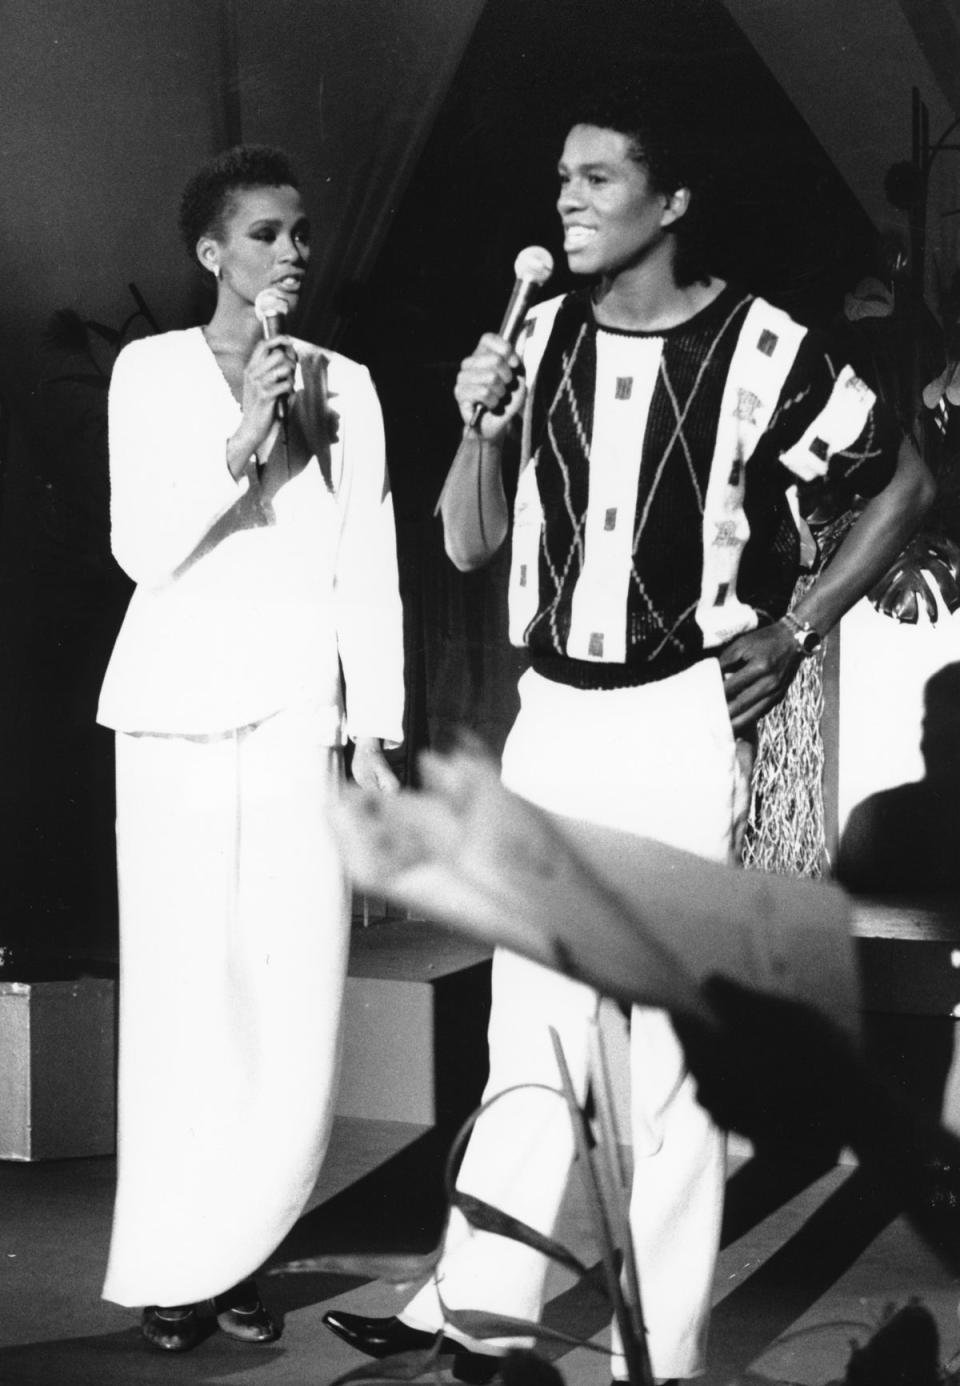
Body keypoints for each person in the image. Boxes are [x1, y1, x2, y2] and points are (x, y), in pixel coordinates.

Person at [323, 83, 933, 1385]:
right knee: (528, 1028)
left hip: (676, 724)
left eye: (597, 178)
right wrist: (478, 425)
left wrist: (803, 624)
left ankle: (656, 1353)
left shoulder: (765, 346)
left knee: (669, 1052)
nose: (569, 199)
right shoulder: (534, 333)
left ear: (673, 201)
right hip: (551, 717)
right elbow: (466, 538)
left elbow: (903, 481)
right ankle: (478, 1313)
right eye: (560, 179)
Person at [97, 145, 404, 1351]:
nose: (294, 253)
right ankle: (176, 1264)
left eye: (302, 232)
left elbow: (364, 564)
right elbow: (139, 549)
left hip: (294, 720)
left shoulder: (353, 387)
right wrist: (243, 436)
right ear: (212, 254)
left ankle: (242, 1251)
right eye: (267, 234)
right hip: (173, 721)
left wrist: (373, 728)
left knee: (287, 998)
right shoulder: (147, 372)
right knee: (184, 998)